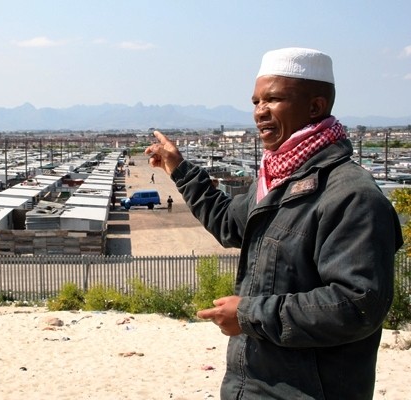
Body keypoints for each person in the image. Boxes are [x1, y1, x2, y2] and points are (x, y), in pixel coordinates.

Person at [145, 47, 403, 399]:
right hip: (252, 385)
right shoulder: (276, 182)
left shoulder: (352, 196)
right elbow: (229, 224)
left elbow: (358, 305)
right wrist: (180, 169)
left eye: (273, 99)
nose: (259, 112)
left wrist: (250, 314)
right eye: (256, 102)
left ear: (315, 107)